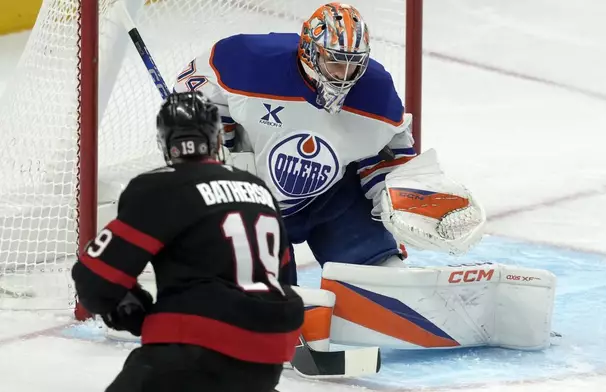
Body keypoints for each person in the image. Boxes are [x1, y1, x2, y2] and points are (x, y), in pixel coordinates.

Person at [172, 3, 487, 352]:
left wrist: (405, 200)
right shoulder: (248, 61)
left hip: (331, 199)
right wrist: (218, 144)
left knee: (376, 270)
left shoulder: (375, 91)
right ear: (309, 51)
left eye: (356, 64)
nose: (346, 75)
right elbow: (194, 95)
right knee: (266, 292)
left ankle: (393, 301)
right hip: (253, 200)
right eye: (336, 61)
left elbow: (386, 158)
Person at [72, 91, 304, 392]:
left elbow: (95, 278)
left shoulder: (158, 187)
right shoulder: (258, 189)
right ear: (217, 139)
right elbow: (284, 274)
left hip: (192, 349)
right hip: (268, 352)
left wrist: (128, 307)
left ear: (165, 143)